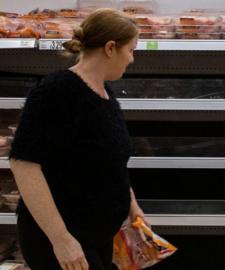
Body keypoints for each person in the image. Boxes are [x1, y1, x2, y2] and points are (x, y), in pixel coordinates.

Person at [9, 8, 145, 270]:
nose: (132, 59)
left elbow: (111, 162)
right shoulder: (57, 91)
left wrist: (132, 207)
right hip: (64, 237)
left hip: (98, 234)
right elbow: (24, 164)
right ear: (110, 48)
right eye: (130, 50)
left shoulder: (105, 94)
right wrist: (61, 240)